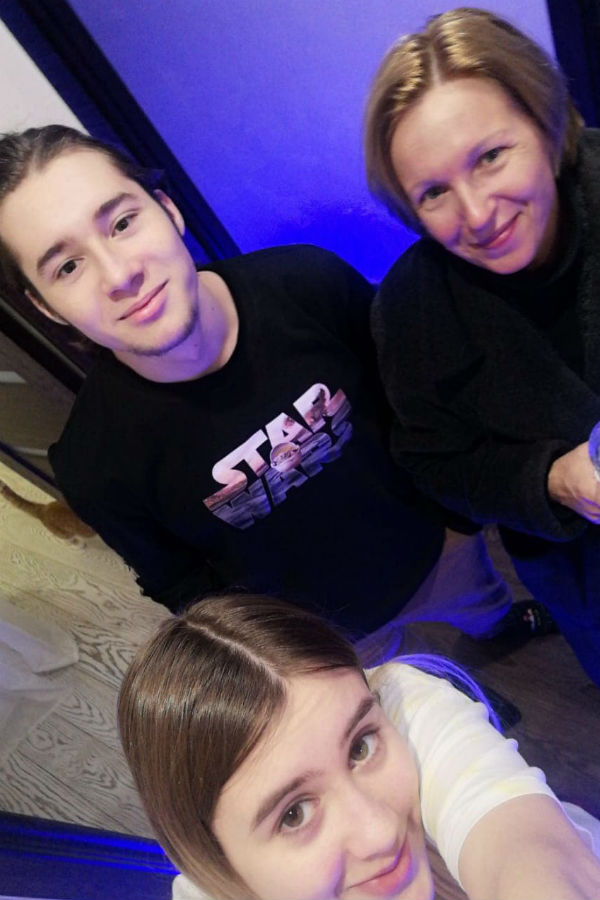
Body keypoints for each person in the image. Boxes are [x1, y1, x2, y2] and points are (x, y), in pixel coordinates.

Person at [0, 124, 547, 659]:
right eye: (67, 266)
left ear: (168, 210)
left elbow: (416, 400)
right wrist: (279, 656)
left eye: (122, 222)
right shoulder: (93, 464)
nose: (119, 275)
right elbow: (180, 582)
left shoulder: (307, 282)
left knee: (485, 607)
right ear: (47, 307)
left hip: (437, 548)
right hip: (323, 638)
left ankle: (497, 629)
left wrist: (458, 519)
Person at [364, 6, 600, 683]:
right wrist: (551, 480)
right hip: (579, 565)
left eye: (490, 156)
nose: (476, 215)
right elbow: (435, 462)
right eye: (434, 192)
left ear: (546, 123)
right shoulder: (411, 311)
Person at [117, 592, 600, 900]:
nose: (380, 832)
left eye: (360, 748)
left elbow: (525, 847)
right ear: (214, 859)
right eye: (294, 814)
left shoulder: (400, 698)